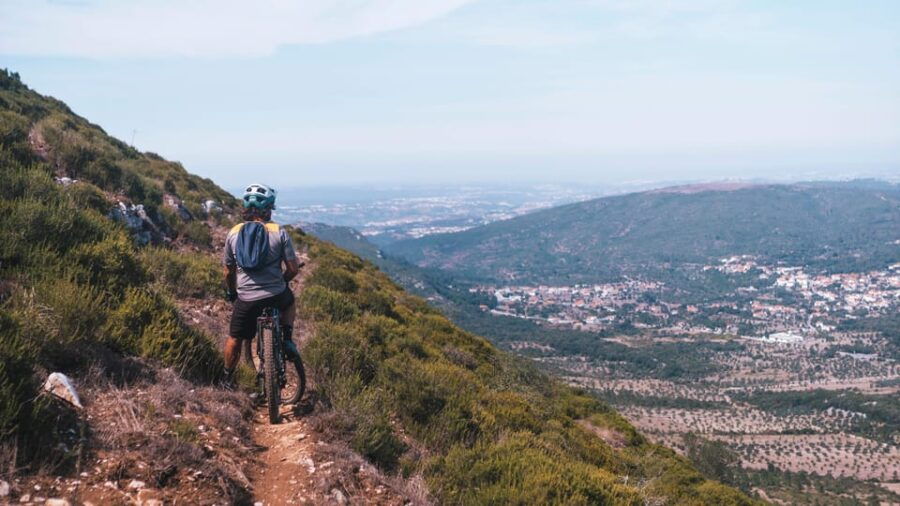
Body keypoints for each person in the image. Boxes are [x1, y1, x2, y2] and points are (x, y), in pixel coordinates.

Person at [222, 183, 301, 389]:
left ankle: (227, 379)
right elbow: (293, 268)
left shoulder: (233, 233)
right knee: (290, 301)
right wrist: (282, 281)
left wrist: (232, 292)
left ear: (246, 207)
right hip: (275, 293)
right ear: (268, 208)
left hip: (246, 298)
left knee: (235, 338)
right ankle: (287, 339)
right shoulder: (278, 232)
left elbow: (228, 271)